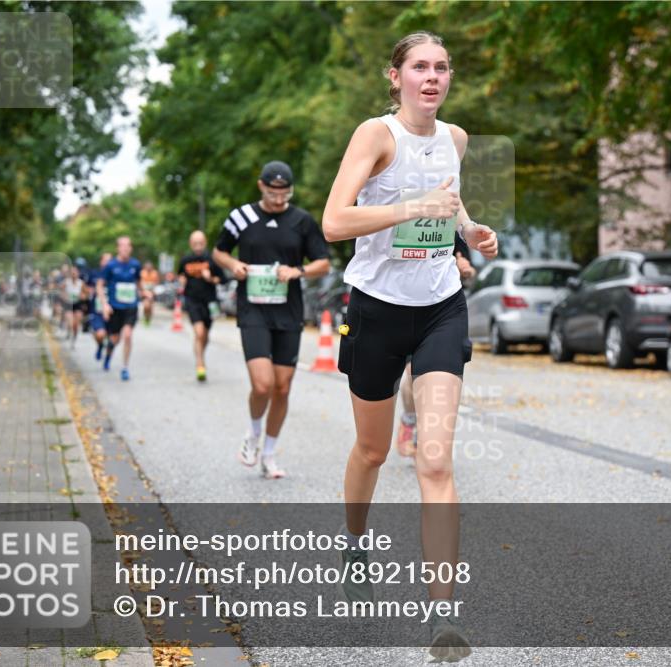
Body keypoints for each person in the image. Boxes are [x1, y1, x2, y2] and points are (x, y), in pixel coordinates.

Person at [321, 31, 497, 660]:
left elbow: (446, 204)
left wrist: (470, 230)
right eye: (419, 67)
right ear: (394, 77)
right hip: (375, 309)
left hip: (440, 309)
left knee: (435, 459)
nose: (433, 77)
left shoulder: (455, 139)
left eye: (442, 67)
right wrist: (410, 208)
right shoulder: (376, 135)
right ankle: (354, 539)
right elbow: (335, 221)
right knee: (371, 450)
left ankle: (442, 616)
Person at [213, 160, 331, 479]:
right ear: (261, 186)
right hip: (252, 308)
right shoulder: (242, 216)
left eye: (284, 193)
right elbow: (219, 252)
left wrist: (298, 271)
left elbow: (324, 262)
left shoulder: (302, 221)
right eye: (272, 192)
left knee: (282, 387)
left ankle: (269, 454)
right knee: (262, 384)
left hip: (288, 310)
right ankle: (253, 434)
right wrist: (233, 264)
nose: (279, 199)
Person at [395, 235, 477, 457]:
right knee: (412, 373)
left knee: (433, 376)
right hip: (400, 306)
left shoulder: (450, 226)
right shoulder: (402, 216)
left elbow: (467, 268)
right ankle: (410, 419)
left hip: (442, 312)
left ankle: (427, 435)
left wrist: (466, 269)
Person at [178, 230, 226, 381]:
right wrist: (181, 281)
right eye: (195, 243)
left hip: (210, 302)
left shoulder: (211, 259)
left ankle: (200, 354)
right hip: (192, 301)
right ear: (191, 244)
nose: (198, 246)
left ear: (205, 243)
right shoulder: (185, 260)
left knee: (205, 336)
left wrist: (210, 278)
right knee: (199, 332)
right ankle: (200, 363)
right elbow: (180, 275)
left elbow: (223, 279)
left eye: (200, 243)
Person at [96, 238, 141, 381]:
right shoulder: (110, 266)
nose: (125, 249)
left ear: (131, 248)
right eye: (122, 246)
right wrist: (104, 304)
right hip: (115, 307)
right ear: (118, 248)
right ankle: (108, 354)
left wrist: (144, 292)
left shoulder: (135, 265)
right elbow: (99, 285)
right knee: (114, 339)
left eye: (128, 246)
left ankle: (125, 368)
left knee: (127, 335)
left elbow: (138, 284)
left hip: (131, 306)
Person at [85, 253, 112, 361]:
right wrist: (90, 291)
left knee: (111, 338)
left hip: (111, 309)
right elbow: (86, 287)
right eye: (106, 260)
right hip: (96, 309)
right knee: (100, 334)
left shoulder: (114, 274)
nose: (108, 263)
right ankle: (100, 345)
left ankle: (107, 359)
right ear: (101, 262)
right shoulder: (94, 274)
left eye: (110, 260)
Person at [63, 263, 88, 348]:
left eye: (75, 272)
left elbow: (87, 294)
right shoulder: (66, 282)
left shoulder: (81, 283)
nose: (73, 274)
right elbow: (60, 292)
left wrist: (83, 296)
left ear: (78, 273)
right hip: (69, 304)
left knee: (76, 325)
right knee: (70, 323)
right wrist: (64, 296)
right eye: (72, 273)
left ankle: (74, 339)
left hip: (78, 305)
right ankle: (68, 331)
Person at [140, 260, 161, 327]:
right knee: (146, 306)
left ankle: (149, 317)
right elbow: (140, 282)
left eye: (150, 266)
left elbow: (157, 282)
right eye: (147, 266)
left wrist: (154, 291)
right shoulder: (142, 273)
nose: (148, 268)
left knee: (150, 306)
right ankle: (145, 316)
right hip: (145, 291)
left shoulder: (155, 273)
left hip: (152, 292)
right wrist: (142, 291)